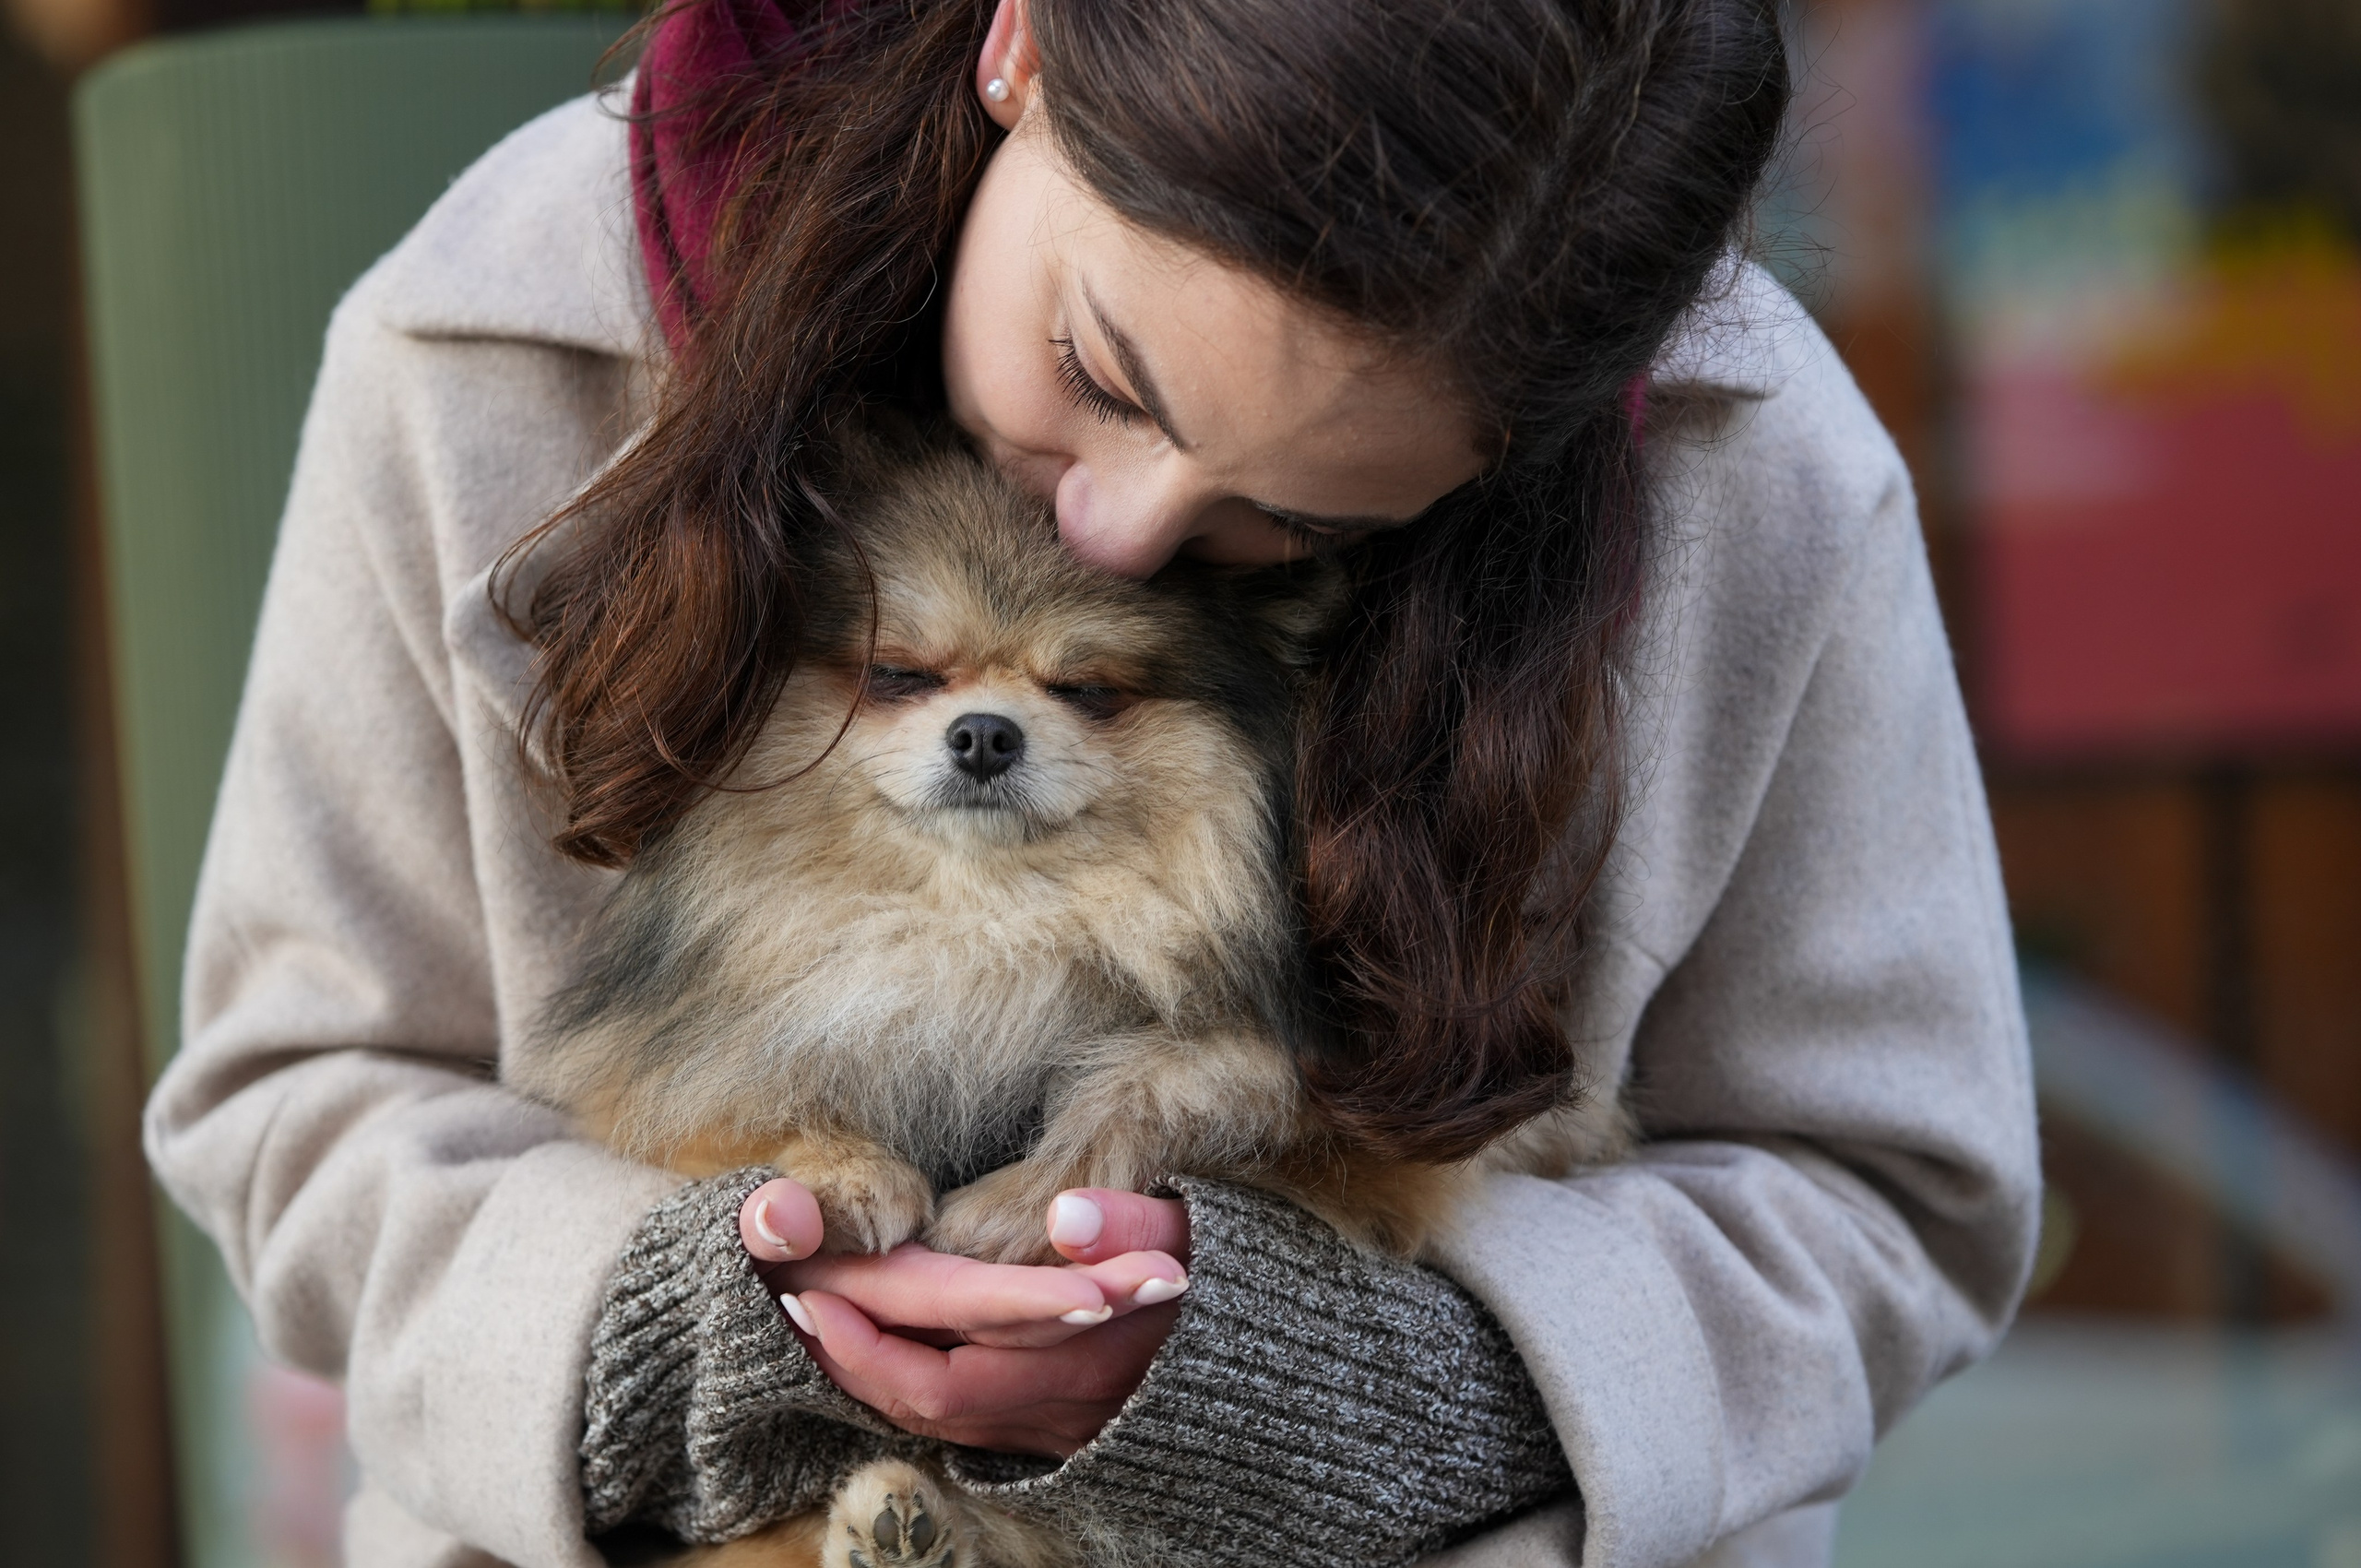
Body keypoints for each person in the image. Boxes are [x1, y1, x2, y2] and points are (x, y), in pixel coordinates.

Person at [143, 0, 2040, 1564]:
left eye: (1295, 521)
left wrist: (1357, 1393)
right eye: (1097, 365)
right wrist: (690, 1344)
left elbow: (1886, 1190)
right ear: (1021, 43)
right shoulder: (487, 343)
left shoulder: (1753, 467)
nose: (1122, 529)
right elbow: (290, 1096)